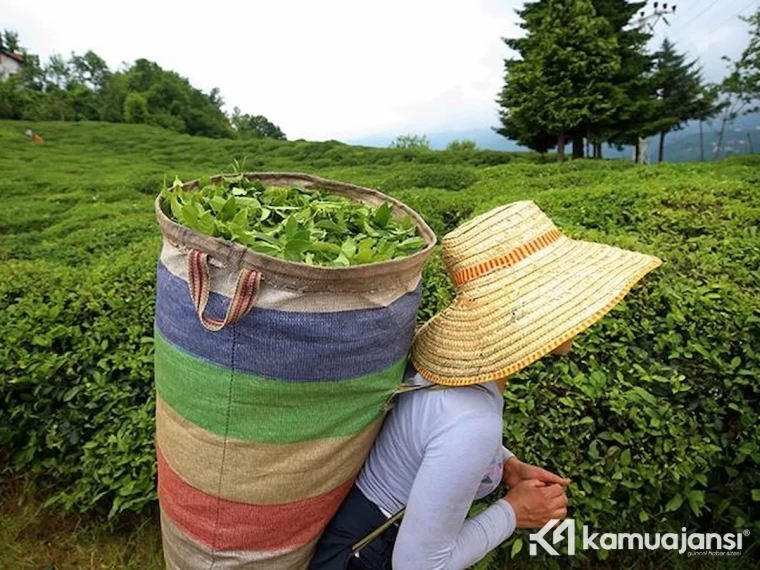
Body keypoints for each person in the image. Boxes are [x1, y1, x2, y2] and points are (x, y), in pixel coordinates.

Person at [310, 201, 662, 570]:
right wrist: (515, 512)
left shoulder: (451, 380)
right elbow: (420, 565)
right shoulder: (473, 421)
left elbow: (431, 436)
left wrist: (507, 466)